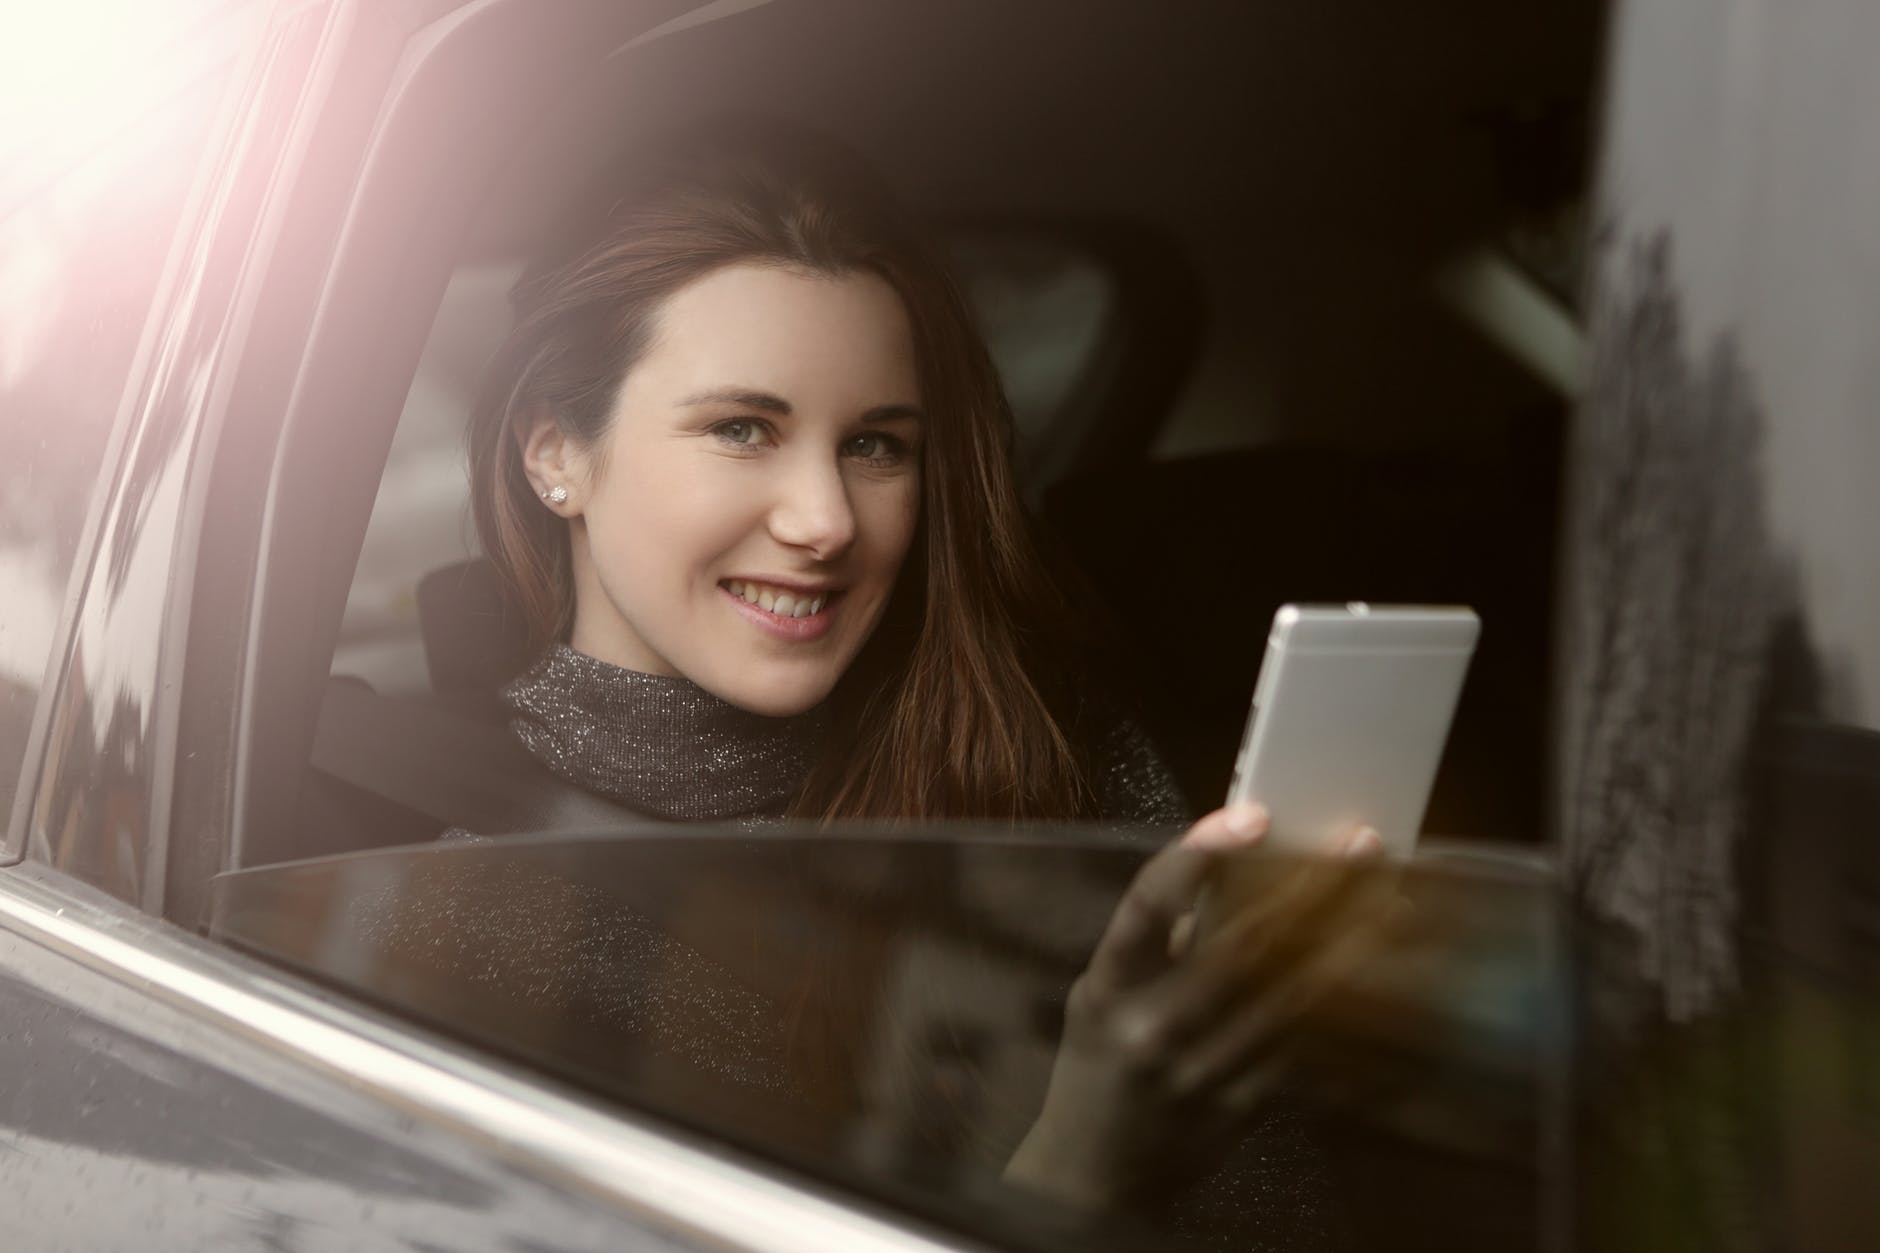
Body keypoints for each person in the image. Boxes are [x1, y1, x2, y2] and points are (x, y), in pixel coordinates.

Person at [459, 121, 1385, 1245]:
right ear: (554, 452)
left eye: (877, 446)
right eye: (743, 428)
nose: (827, 521)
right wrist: (1080, 1165)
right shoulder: (454, 888)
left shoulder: (1049, 755)